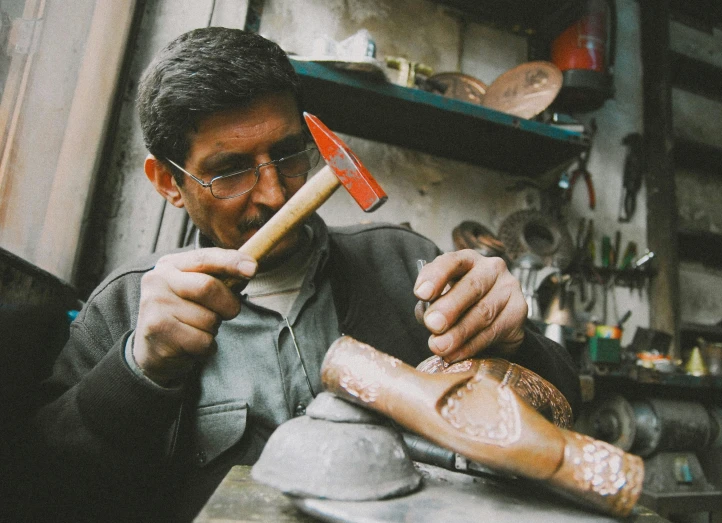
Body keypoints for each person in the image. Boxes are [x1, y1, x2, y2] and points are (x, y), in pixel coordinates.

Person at [25, 27, 581, 522]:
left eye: (291, 154)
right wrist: (138, 372)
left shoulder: (404, 263)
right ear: (168, 182)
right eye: (231, 170)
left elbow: (559, 411)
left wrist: (516, 342)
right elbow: (43, 492)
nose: (274, 193)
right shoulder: (124, 308)